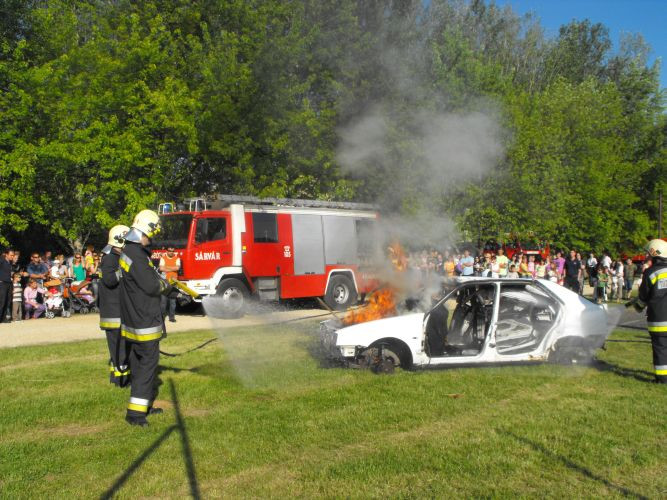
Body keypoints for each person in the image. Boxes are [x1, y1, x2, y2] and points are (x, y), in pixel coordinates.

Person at [120, 210, 168, 426]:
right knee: (147, 365)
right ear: (145, 231)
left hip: (133, 318)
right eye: (150, 236)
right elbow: (150, 285)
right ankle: (136, 414)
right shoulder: (138, 256)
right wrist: (166, 285)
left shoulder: (128, 252)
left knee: (139, 364)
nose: (151, 240)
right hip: (144, 319)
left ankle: (143, 405)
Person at [100, 224, 131, 387]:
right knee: (119, 349)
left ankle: (117, 376)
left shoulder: (114, 257)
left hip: (116, 312)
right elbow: (109, 280)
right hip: (113, 313)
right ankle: (122, 380)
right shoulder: (110, 259)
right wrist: (125, 271)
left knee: (119, 348)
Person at [635, 239, 667, 384]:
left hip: (659, 319)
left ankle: (662, 379)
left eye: (648, 254)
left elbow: (643, 297)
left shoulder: (651, 272)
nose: (647, 256)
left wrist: (638, 306)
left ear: (655, 253)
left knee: (660, 349)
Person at [159, 247, 180, 323]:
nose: (171, 252)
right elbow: (161, 269)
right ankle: (162, 317)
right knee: (163, 302)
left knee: (172, 301)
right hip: (165, 282)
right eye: (169, 251)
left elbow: (177, 268)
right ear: (166, 251)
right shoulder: (163, 258)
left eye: (172, 251)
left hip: (174, 282)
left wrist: (166, 267)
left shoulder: (177, 258)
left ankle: (172, 317)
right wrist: (172, 268)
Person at [0, 249, 13, 323]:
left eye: (13, 255)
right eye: (11, 255)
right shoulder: (1, 261)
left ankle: (3, 318)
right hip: (2, 283)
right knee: (2, 301)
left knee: (7, 301)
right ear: (6, 255)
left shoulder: (10, 263)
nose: (12, 256)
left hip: (9, 283)